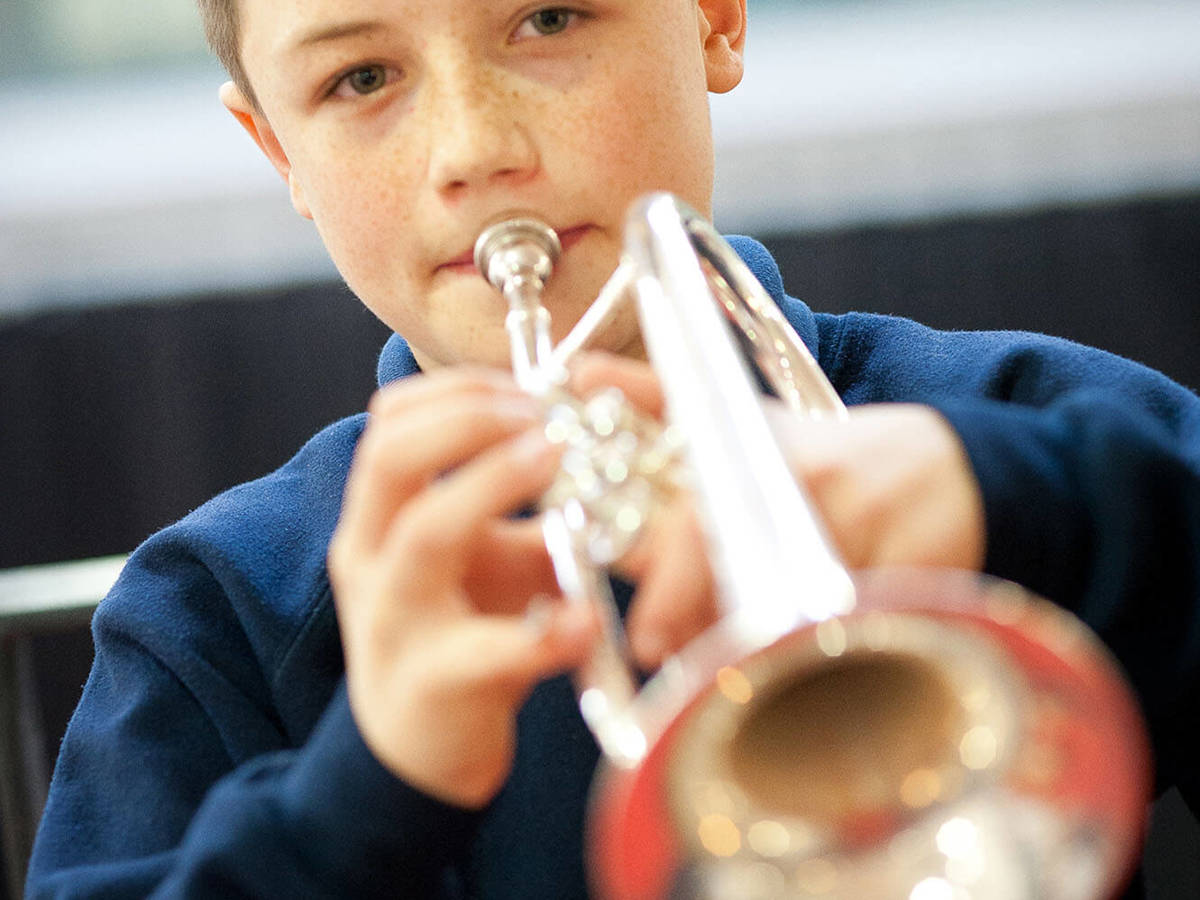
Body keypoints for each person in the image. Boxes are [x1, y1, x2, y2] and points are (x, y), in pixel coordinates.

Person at [25, 0, 1200, 896]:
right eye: (361, 76)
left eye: (549, 16)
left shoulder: (1025, 424)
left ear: (715, 19)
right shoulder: (216, 612)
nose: (473, 149)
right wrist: (362, 795)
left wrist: (1031, 501)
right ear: (280, 152)